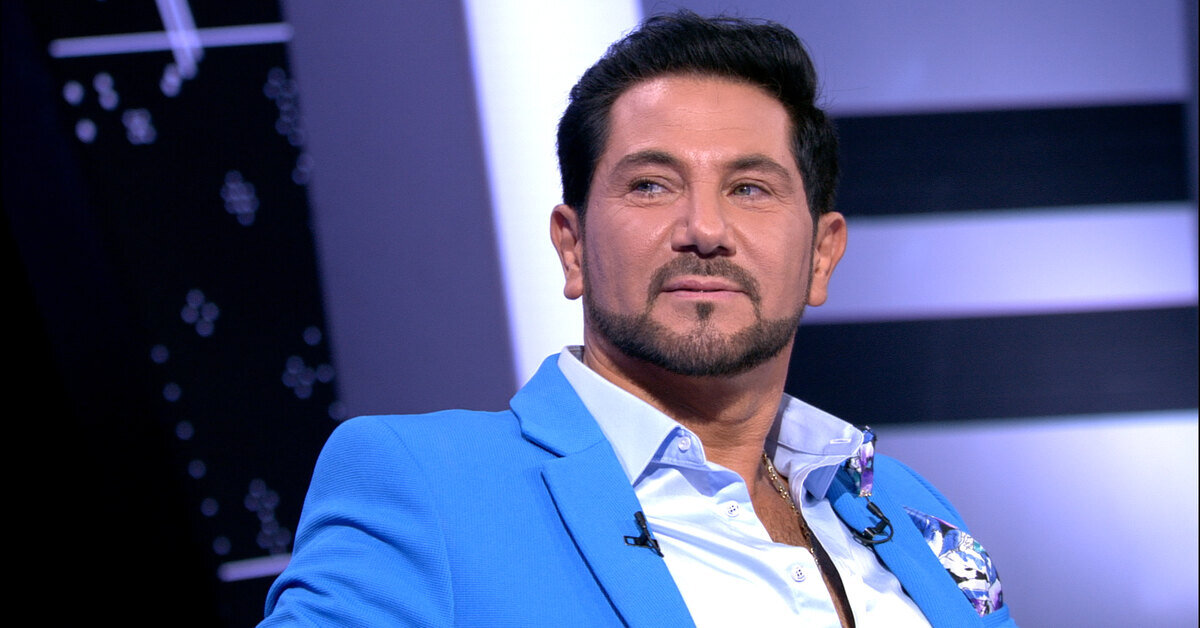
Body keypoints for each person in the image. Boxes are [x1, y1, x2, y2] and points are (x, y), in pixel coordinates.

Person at [262, 12, 1015, 628]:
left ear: (821, 255)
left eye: (750, 188)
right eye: (651, 185)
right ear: (572, 247)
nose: (704, 229)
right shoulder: (426, 484)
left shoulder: (908, 505)